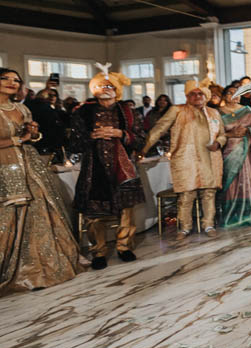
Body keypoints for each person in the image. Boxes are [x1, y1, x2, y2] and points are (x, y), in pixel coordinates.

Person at [0, 68, 82, 294]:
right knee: (8, 217)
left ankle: (39, 267)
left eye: (16, 80)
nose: (12, 83)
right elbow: (18, 139)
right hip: (4, 167)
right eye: (5, 78)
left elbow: (33, 138)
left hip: (29, 165)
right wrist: (19, 138)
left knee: (41, 212)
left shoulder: (22, 108)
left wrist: (34, 134)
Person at [69, 65, 146, 269]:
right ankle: (99, 252)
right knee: (94, 214)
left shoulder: (129, 112)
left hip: (123, 168)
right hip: (94, 169)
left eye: (110, 85)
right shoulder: (83, 112)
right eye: (101, 85)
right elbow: (74, 143)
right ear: (94, 88)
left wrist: (121, 134)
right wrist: (91, 136)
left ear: (117, 88)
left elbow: (140, 139)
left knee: (126, 211)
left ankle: (123, 247)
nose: (105, 88)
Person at [142, 78, 226, 238]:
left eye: (200, 93)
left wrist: (219, 143)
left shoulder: (214, 112)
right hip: (186, 158)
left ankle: (208, 225)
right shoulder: (177, 110)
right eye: (192, 94)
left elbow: (222, 134)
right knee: (186, 194)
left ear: (206, 95)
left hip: (210, 157)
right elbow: (159, 129)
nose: (196, 96)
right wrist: (144, 148)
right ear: (187, 96)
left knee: (209, 192)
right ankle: (185, 227)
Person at [217, 83, 251, 227]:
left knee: (247, 179)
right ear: (224, 96)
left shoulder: (248, 111)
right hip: (227, 151)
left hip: (245, 149)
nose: (234, 96)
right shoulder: (218, 113)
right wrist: (229, 134)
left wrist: (247, 132)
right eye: (230, 93)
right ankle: (230, 213)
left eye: (237, 93)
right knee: (230, 182)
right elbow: (214, 132)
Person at [26, 88, 65, 158]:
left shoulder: (57, 111)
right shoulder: (39, 108)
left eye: (54, 95)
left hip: (53, 146)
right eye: (49, 95)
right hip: (41, 145)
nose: (52, 97)